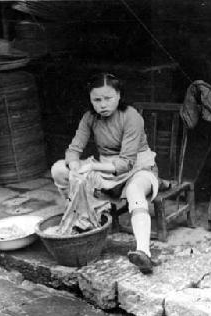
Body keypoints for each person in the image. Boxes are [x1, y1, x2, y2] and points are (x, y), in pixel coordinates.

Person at [51, 73, 159, 274]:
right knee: (59, 169)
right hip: (106, 171)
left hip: (138, 168)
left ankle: (143, 251)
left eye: (108, 98)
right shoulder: (89, 117)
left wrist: (91, 167)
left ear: (119, 95)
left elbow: (126, 163)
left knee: (135, 190)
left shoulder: (131, 116)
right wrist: (74, 164)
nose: (102, 104)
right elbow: (74, 149)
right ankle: (80, 223)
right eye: (96, 100)